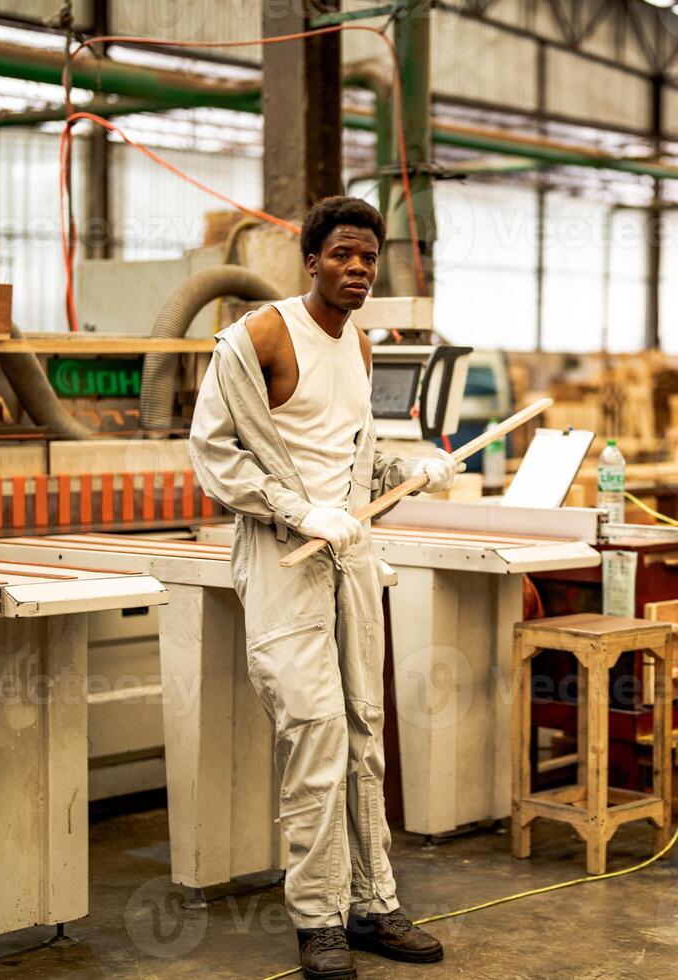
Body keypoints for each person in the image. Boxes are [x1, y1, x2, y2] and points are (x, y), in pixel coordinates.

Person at [189, 196, 454, 980]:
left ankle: (373, 904)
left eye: (369, 258)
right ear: (311, 260)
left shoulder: (361, 349)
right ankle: (318, 923)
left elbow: (353, 457)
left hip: (350, 559)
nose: (358, 269)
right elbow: (214, 453)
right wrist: (299, 508)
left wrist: (410, 470)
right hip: (284, 559)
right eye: (342, 254)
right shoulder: (258, 337)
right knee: (313, 732)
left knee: (364, 728)